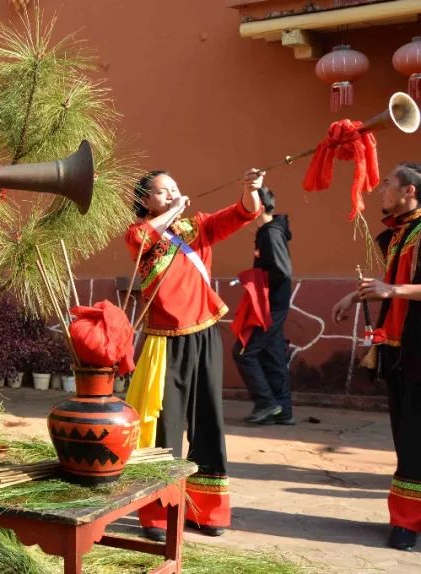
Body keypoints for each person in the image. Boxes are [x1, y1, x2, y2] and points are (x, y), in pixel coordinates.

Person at [124, 169, 262, 542]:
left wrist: (251, 191)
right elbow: (144, 238)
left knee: (208, 422)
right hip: (163, 342)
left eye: (175, 189)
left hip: (204, 335)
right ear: (145, 201)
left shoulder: (196, 228)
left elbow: (239, 215)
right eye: (162, 192)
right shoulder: (138, 234)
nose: (172, 195)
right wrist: (172, 212)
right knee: (165, 427)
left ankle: (207, 509)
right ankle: (158, 513)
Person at [332, 162, 421, 551]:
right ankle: (407, 517)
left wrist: (392, 291)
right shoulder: (399, 234)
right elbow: (391, 287)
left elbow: (399, 288)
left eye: (388, 185)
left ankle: (408, 523)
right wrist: (357, 295)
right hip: (400, 350)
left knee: (415, 436)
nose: (381, 190)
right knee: (406, 436)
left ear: (410, 192)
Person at [232, 187, 295, 425]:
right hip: (272, 304)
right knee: (274, 355)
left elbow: (282, 271)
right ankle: (283, 410)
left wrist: (257, 281)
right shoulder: (269, 232)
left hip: (269, 306)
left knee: (244, 352)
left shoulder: (271, 234)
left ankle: (267, 403)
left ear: (257, 207)